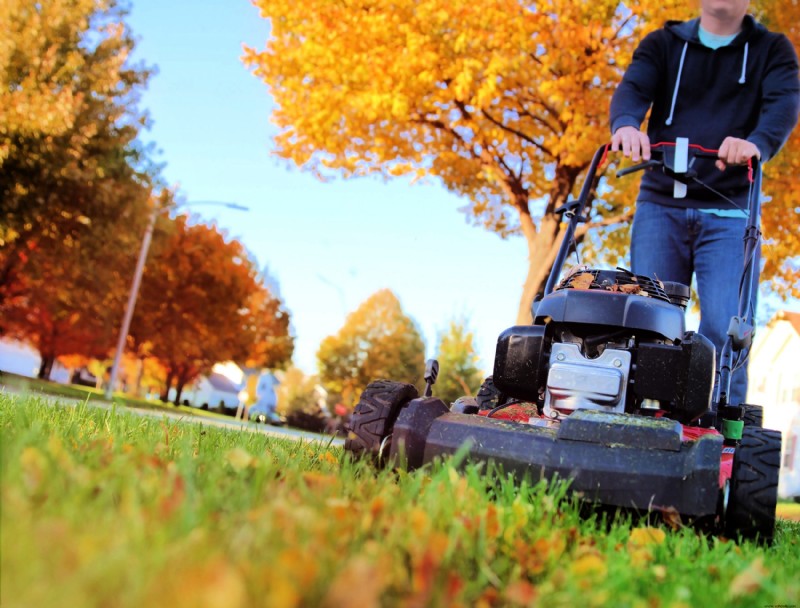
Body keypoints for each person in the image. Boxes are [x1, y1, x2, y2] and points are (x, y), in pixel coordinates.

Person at [609, 0, 800, 407]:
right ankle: (640, 425)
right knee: (650, 321)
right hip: (662, 204)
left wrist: (757, 143)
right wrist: (626, 124)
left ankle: (719, 443)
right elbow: (634, 88)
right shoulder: (662, 43)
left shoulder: (772, 49)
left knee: (726, 327)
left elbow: (783, 104)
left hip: (730, 209)